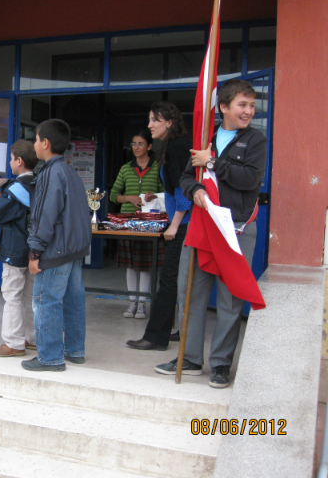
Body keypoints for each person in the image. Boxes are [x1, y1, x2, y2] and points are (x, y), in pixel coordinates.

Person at [155, 79, 267, 388]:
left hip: (235, 230)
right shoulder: (207, 137)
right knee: (189, 291)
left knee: (230, 300)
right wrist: (197, 192)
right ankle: (190, 359)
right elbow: (186, 177)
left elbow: (248, 180)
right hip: (203, 226)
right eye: (242, 105)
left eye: (251, 106)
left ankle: (220, 364)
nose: (248, 111)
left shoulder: (256, 140)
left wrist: (213, 162)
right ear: (224, 108)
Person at [22, 119, 92, 372]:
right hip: (74, 250)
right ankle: (75, 350)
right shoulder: (69, 171)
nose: (34, 144)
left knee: (46, 301)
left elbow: (44, 217)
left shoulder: (50, 173)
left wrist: (35, 252)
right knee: (73, 299)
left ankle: (50, 357)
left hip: (56, 250)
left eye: (36, 139)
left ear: (46, 143)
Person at [126, 102, 192, 351]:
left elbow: (184, 188)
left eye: (155, 120)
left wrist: (174, 225)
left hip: (184, 224)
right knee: (179, 280)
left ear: (170, 122)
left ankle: (155, 337)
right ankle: (175, 330)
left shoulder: (176, 147)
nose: (150, 125)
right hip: (183, 222)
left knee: (168, 281)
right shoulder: (174, 146)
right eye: (150, 119)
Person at [0, 140, 38, 357]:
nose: (10, 162)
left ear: (19, 161)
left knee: (12, 295)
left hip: (15, 249)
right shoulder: (38, 182)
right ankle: (31, 339)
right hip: (35, 250)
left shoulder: (15, 187)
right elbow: (16, 209)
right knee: (30, 296)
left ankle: (13, 342)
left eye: (11, 158)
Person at [109, 128, 164, 319]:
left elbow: (167, 193)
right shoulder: (125, 168)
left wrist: (154, 195)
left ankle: (142, 303)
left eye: (141, 143)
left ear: (149, 146)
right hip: (128, 221)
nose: (136, 147)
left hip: (149, 222)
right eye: (133, 143)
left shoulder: (158, 167)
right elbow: (113, 195)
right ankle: (132, 302)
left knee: (145, 264)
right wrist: (128, 198)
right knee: (130, 264)